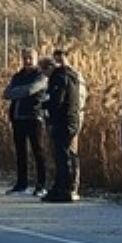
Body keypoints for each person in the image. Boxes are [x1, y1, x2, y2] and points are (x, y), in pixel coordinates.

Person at [2, 49, 49, 196]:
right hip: (18, 117)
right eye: (25, 58)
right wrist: (18, 91)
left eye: (30, 58)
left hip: (34, 117)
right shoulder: (18, 76)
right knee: (20, 152)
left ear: (36, 59)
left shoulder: (41, 76)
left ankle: (41, 185)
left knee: (38, 151)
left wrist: (17, 92)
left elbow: (31, 90)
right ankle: (21, 184)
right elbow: (6, 93)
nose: (27, 61)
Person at [42, 48, 84, 203]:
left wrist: (44, 104)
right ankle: (63, 186)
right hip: (71, 120)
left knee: (63, 156)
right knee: (66, 155)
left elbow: (56, 101)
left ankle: (65, 188)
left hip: (63, 121)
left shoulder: (60, 77)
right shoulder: (73, 76)